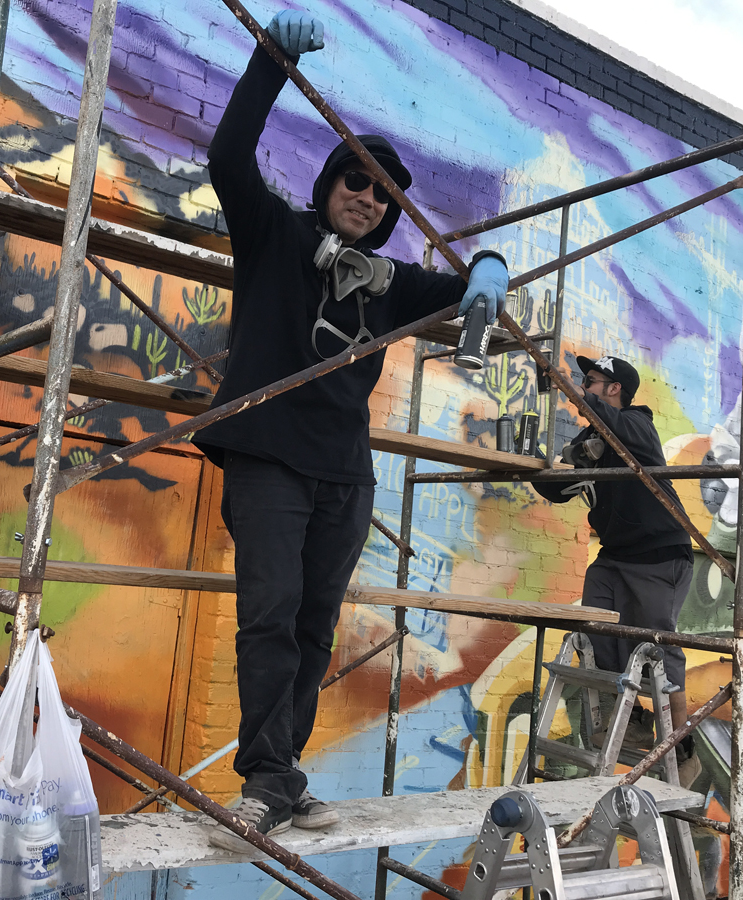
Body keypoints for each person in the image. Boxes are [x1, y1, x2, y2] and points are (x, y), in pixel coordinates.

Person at [193, 10, 509, 850]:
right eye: (355, 180)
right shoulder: (273, 236)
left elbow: (455, 289)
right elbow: (228, 157)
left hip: (344, 475)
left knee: (311, 628)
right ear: (330, 180)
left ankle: (279, 775)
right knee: (269, 612)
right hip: (265, 457)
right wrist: (268, 64)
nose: (366, 199)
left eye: (381, 193)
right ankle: (265, 782)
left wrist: (487, 268)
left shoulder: (391, 282)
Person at [530, 354, 701, 786]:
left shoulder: (637, 424)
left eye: (591, 381)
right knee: (597, 629)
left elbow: (607, 420)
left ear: (614, 389)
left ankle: (681, 747)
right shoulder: (597, 436)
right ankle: (633, 718)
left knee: (658, 645)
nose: (585, 386)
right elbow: (562, 489)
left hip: (659, 552)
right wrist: (533, 466)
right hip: (616, 555)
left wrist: (567, 389)